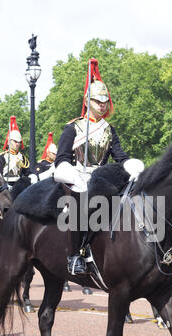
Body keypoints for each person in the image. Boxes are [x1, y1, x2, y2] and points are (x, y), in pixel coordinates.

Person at [53, 65, 144, 275]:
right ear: (87, 102)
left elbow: (120, 158)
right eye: (97, 101)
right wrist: (74, 175)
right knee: (78, 206)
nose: (102, 106)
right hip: (76, 177)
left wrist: (133, 167)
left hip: (101, 178)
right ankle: (75, 255)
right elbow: (62, 159)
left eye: (105, 102)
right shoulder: (73, 128)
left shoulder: (109, 130)